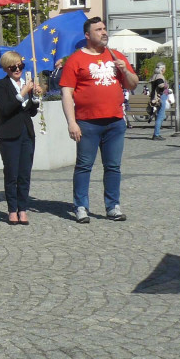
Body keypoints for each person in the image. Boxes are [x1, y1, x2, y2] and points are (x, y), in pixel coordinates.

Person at [60, 16, 138, 223]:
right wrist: (71, 122)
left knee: (113, 166)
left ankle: (113, 206)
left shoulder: (116, 55)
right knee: (84, 166)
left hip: (114, 122)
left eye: (104, 29)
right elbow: (66, 93)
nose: (104, 32)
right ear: (87, 35)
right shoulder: (75, 60)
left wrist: (123, 70)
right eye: (98, 30)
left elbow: (133, 84)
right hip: (87, 123)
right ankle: (81, 206)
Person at [0, 51, 40, 225]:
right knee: (11, 174)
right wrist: (22, 93)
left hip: (26, 133)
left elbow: (31, 112)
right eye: (14, 66)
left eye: (20, 65)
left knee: (24, 174)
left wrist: (34, 97)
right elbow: (6, 109)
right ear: (6, 68)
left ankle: (23, 208)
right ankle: (12, 210)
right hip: (9, 134)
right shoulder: (1, 85)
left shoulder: (26, 84)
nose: (18, 69)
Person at [149, 63, 169, 140]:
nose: (165, 70)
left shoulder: (154, 75)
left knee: (161, 115)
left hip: (157, 97)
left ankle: (157, 133)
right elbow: (160, 85)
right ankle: (156, 134)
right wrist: (166, 85)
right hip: (160, 97)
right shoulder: (159, 76)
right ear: (162, 69)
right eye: (164, 68)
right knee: (161, 116)